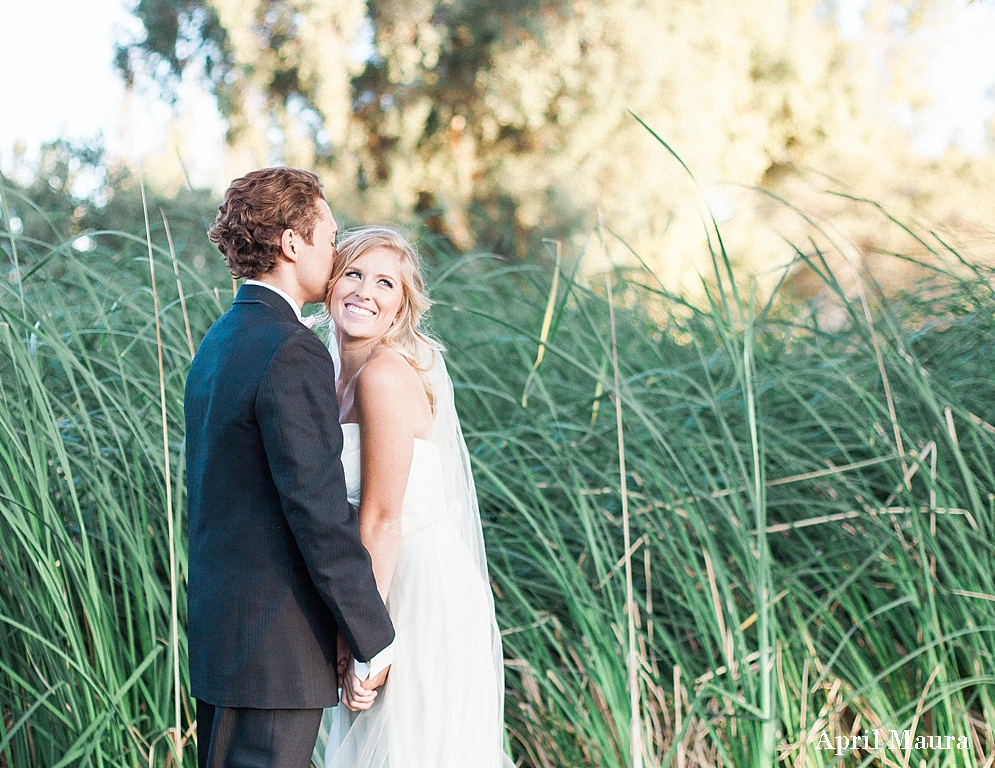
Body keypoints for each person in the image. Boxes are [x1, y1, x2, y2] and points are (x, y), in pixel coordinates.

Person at [185, 168, 395, 768]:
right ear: (292, 243)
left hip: (224, 640)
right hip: (275, 650)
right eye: (329, 237)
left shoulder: (221, 340)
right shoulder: (291, 349)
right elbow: (318, 510)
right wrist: (372, 636)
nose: (335, 252)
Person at [321, 226, 513, 767]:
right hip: (378, 579)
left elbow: (382, 517)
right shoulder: (329, 373)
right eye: (355, 274)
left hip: (415, 593)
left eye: (386, 283)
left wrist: (367, 643)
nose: (365, 292)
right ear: (333, 282)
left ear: (402, 307)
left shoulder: (382, 376)